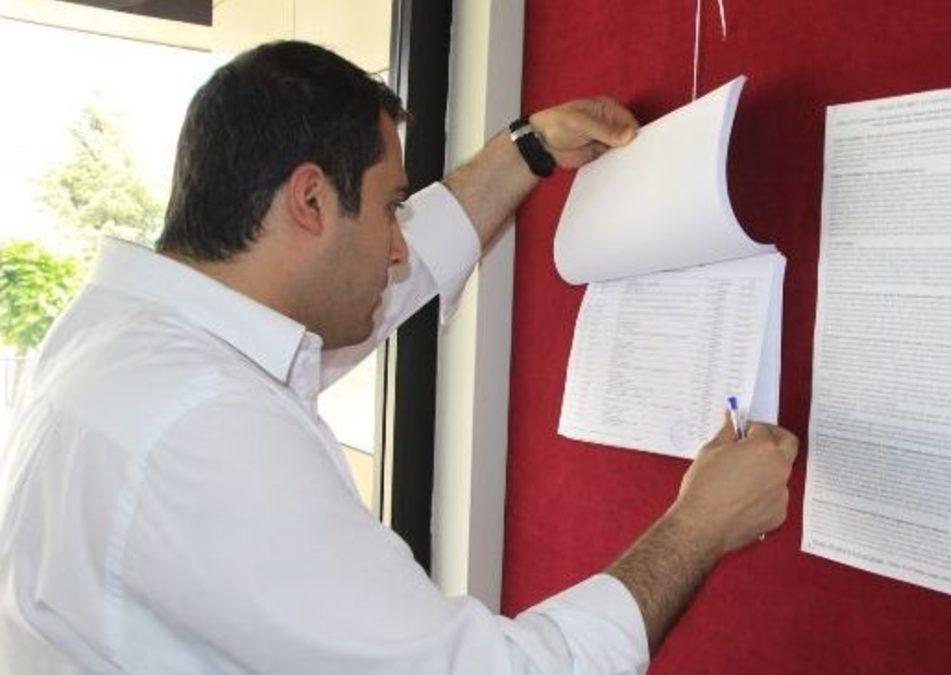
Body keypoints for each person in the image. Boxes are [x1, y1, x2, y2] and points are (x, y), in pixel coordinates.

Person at [0, 41, 798, 673]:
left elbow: (376, 285)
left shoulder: (131, 334)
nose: (396, 247)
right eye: (390, 208)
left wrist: (525, 151)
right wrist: (701, 524)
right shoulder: (209, 428)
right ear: (309, 199)